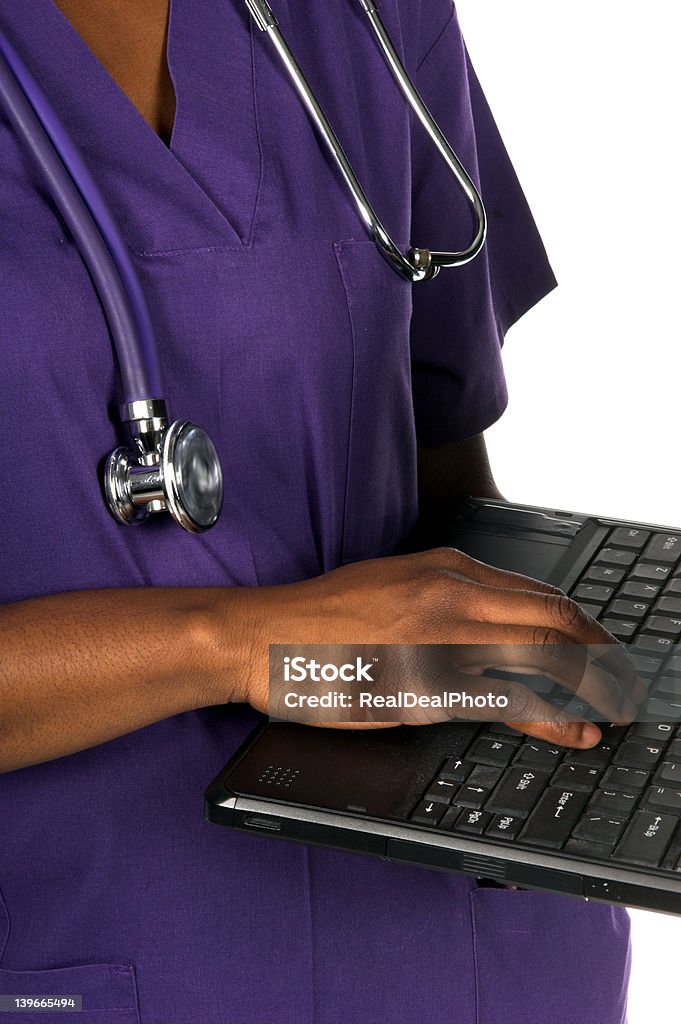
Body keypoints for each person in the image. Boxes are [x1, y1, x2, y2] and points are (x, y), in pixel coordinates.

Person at [0, 2, 637, 1022]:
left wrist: (538, 762)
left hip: (485, 964)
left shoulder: (361, 16)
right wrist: (243, 645)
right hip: (136, 959)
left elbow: (443, 472)